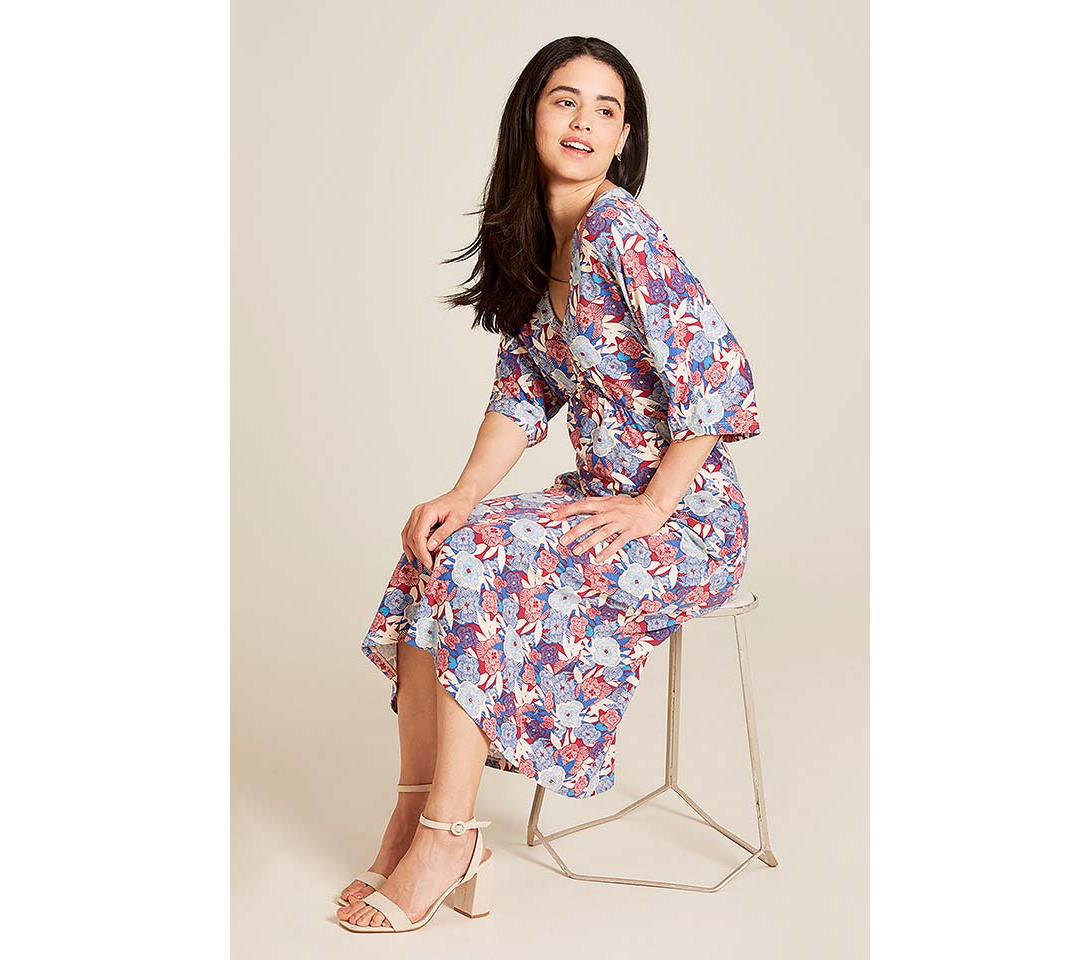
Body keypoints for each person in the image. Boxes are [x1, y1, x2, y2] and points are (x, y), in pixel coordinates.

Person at [335, 36, 761, 933]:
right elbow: (526, 388)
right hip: (596, 493)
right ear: (531, 113)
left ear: (624, 138)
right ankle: (413, 816)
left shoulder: (620, 231)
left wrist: (653, 505)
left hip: (686, 520)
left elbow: (719, 377)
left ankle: (450, 838)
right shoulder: (542, 238)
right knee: (441, 544)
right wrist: (462, 494)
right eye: (566, 100)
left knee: (483, 563)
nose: (584, 122)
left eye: (607, 110)